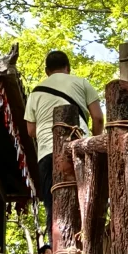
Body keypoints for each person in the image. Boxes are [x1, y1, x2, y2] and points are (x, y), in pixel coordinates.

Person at [24, 50, 103, 242]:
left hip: (47, 152)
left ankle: (57, 249)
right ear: (68, 67)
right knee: (85, 198)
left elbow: (31, 130)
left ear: (46, 71)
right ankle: (88, 245)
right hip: (78, 147)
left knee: (53, 204)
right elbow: (98, 117)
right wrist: (95, 141)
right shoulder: (82, 82)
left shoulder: (36, 92)